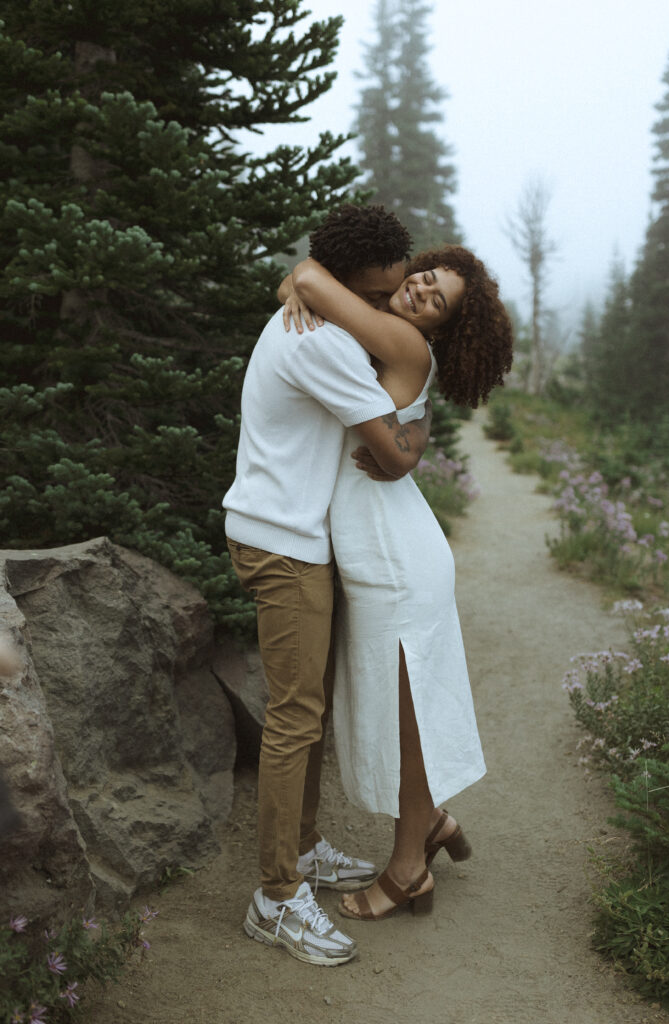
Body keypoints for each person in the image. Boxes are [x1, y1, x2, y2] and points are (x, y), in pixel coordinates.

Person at [222, 205, 434, 967]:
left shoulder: (325, 323)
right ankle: (276, 898)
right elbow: (396, 448)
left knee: (304, 713)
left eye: (394, 293)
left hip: (299, 539)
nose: (386, 308)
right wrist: (416, 424)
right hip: (282, 545)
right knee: (294, 716)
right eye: (375, 297)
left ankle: (304, 850)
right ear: (341, 287)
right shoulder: (320, 343)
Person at [285, 245, 513, 921]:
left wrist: (301, 284)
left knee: (406, 720)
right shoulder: (386, 337)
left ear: (439, 327)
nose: (417, 291)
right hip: (385, 552)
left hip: (395, 562)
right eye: (422, 276)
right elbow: (306, 282)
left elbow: (307, 274)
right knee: (398, 712)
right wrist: (299, 286)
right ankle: (433, 822)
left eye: (435, 298)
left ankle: (409, 868)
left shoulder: (402, 340)